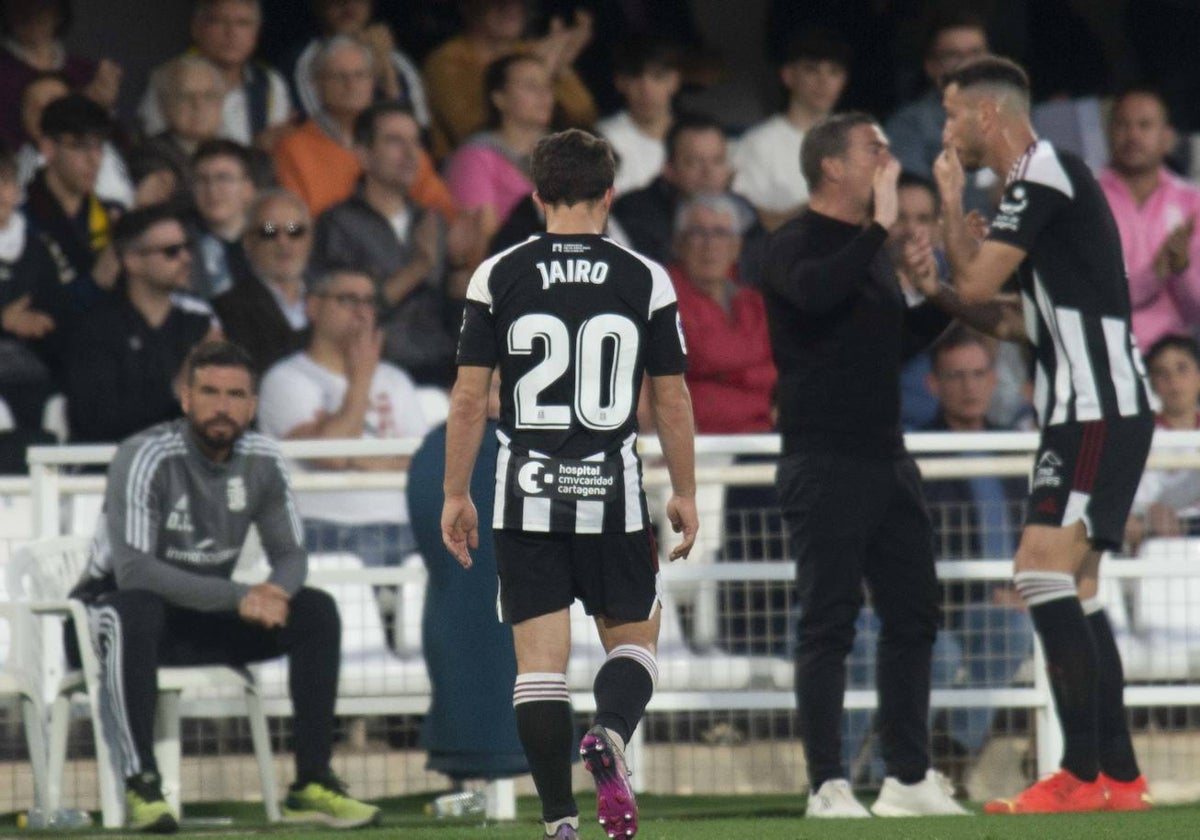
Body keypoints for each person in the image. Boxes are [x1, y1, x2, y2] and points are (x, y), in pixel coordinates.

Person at [442, 128, 697, 840]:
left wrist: (453, 493)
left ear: (535, 195)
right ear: (609, 194)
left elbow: (468, 398)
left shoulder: (497, 274)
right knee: (635, 644)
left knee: (539, 667)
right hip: (611, 492)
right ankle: (610, 732)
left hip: (525, 492)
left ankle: (558, 821)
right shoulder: (645, 277)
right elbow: (672, 397)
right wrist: (686, 490)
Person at [762, 110, 1019, 818]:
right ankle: (827, 782)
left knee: (914, 618)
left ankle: (908, 776)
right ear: (833, 167)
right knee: (829, 623)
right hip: (823, 461)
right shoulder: (790, 243)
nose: (887, 158)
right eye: (873, 149)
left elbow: (893, 343)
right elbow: (814, 297)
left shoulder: (873, 254)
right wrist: (878, 230)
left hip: (886, 459)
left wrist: (943, 291)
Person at [934, 55, 1157, 814]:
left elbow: (974, 282)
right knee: (1078, 589)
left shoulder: (1043, 173)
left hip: (1096, 405)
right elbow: (1000, 315)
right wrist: (941, 273)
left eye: (953, 114)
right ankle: (1119, 778)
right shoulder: (1035, 187)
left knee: (1038, 570)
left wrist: (946, 205)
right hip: (1085, 407)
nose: (947, 131)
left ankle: (1081, 772)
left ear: (988, 115)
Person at [66, 340, 380, 832]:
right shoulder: (145, 455)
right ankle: (141, 783)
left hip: (197, 615)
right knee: (136, 608)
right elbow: (134, 572)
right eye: (209, 392)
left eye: (236, 395)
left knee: (316, 610)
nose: (222, 406)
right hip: (105, 619)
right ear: (186, 398)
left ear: (252, 407)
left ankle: (312, 782)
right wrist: (242, 596)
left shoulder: (263, 459)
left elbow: (292, 555)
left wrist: (275, 591)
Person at [256, 267, 428, 610]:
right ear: (313, 307)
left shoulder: (396, 380)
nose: (362, 311)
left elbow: (421, 462)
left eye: (369, 301)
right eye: (348, 299)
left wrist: (355, 459)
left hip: (406, 530)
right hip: (326, 533)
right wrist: (361, 380)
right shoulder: (286, 379)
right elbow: (328, 455)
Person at [311, 102, 482, 388]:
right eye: (394, 141)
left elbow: (452, 316)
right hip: (372, 375)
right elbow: (348, 314)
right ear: (363, 155)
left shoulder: (433, 222)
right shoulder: (336, 223)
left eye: (415, 142)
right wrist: (420, 266)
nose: (410, 153)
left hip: (442, 372)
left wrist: (459, 269)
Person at [62, 204, 218, 444]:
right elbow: (95, 422)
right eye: (171, 251)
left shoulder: (197, 326)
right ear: (132, 261)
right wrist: (176, 391)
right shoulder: (95, 329)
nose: (186, 258)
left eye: (188, 248)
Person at [273, 35, 455, 220]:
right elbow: (290, 224)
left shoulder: (401, 141)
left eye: (360, 75)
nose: (351, 84)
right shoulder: (292, 149)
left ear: (372, 82)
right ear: (317, 85)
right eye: (339, 76)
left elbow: (443, 210)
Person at [421, 0, 596, 161]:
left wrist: (560, 71)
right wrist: (538, 73)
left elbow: (584, 115)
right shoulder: (446, 61)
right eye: (498, 1)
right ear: (468, 6)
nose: (511, 8)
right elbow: (471, 130)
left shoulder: (529, 51)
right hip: (479, 166)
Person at [1098, 87, 1200, 354]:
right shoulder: (1087, 201)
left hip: (1177, 362)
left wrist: (1181, 268)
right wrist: (1155, 274)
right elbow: (1092, 296)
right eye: (1123, 124)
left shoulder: (1193, 203)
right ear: (1108, 132)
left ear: (1167, 136)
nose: (1133, 135)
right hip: (1106, 354)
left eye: (1145, 125)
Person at [668, 193, 775, 434]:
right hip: (702, 443)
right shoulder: (663, 300)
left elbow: (779, 369)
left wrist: (728, 373)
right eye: (698, 233)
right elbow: (707, 354)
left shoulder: (754, 302)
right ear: (678, 244)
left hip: (763, 436)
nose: (710, 244)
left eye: (720, 233)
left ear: (736, 247)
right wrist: (754, 375)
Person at [612, 114, 761, 277]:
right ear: (669, 169)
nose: (708, 172)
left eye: (717, 161)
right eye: (694, 162)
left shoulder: (743, 211)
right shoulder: (635, 212)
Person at [732, 29, 850, 232]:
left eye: (834, 72)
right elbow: (751, 222)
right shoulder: (757, 144)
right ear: (788, 76)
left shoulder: (860, 144)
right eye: (812, 70)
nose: (823, 81)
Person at [139, 0, 292, 152]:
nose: (232, 33)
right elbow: (156, 149)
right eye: (219, 21)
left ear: (256, 34)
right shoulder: (170, 77)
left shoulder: (270, 83)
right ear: (196, 29)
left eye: (243, 23)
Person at [885, 11, 994, 213]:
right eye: (953, 55)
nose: (968, 63)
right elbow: (914, 208)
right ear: (931, 66)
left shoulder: (1017, 115)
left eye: (977, 53)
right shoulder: (909, 124)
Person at [22, 92, 121, 309]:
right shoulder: (20, 221)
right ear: (48, 148)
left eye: (99, 146)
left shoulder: (111, 215)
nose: (94, 159)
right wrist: (96, 281)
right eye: (81, 146)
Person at [444, 54, 552, 244]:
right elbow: (481, 241)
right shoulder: (475, 157)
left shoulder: (565, 153)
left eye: (548, 86)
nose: (544, 95)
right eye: (530, 86)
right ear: (499, 98)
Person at [211, 189, 312, 375]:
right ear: (248, 242)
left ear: (310, 239)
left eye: (294, 231)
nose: (283, 242)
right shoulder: (228, 309)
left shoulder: (330, 300)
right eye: (269, 232)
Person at [0, 0, 121, 149]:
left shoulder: (85, 71)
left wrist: (103, 109)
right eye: (22, 7)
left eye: (42, 7)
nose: (32, 15)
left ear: (58, 12)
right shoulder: (4, 72)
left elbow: (117, 144)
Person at [0, 143, 63, 430]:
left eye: (6, 181)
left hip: (35, 370)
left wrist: (42, 323)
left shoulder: (37, 246)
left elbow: (56, 307)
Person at [290, 0, 429, 127]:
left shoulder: (397, 61)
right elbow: (320, 127)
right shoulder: (306, 60)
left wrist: (387, 70)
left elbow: (419, 135)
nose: (347, 4)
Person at [15, 72, 133, 209]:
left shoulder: (101, 152)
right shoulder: (18, 160)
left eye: (52, 103)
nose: (43, 111)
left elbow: (120, 204)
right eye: (33, 106)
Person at [1126, 335, 1200, 549]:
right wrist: (1146, 513)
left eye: (1182, 369)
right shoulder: (1138, 436)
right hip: (1156, 541)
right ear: (1151, 382)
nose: (1174, 382)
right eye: (1162, 373)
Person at [595, 37, 681, 197]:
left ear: (674, 81)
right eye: (635, 77)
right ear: (620, 82)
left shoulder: (697, 138)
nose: (646, 89)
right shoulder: (602, 139)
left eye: (657, 77)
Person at [140, 56, 227, 195]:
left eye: (209, 96)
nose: (199, 105)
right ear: (163, 105)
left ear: (221, 104)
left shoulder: (237, 155)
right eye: (185, 96)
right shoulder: (149, 157)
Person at [186, 139, 257, 300]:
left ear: (248, 189)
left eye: (223, 178)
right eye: (202, 180)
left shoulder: (270, 230)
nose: (212, 190)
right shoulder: (178, 244)